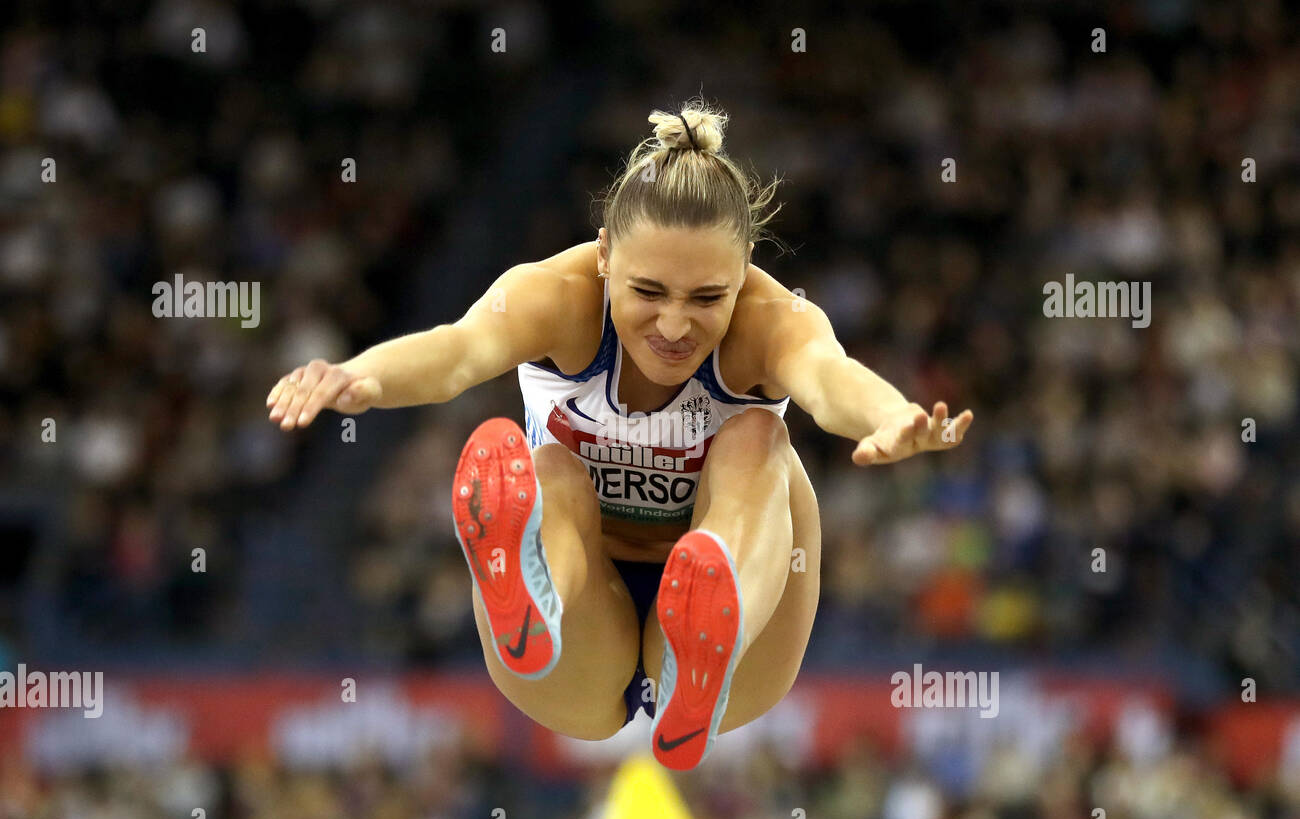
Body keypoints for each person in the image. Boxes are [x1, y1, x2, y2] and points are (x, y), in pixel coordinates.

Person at [266, 99, 973, 771]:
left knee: (762, 441)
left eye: (707, 298)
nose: (674, 327)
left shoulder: (773, 319)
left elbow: (826, 378)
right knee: (548, 472)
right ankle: (536, 593)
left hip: (738, 643)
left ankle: (705, 636)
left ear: (745, 271)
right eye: (648, 293)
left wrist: (889, 415)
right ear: (604, 255)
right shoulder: (557, 295)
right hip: (580, 638)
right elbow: (456, 351)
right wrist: (359, 378)